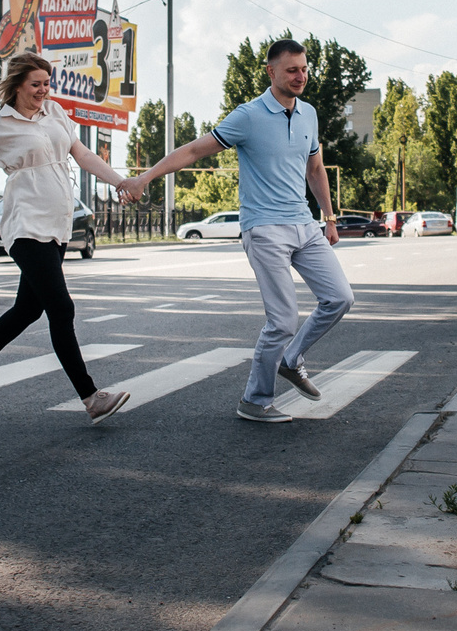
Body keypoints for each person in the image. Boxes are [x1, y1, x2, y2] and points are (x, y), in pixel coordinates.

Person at [125, 38, 354, 424]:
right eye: (291, 70)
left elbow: (315, 169)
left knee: (340, 298)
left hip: (304, 224)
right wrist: (145, 177)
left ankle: (291, 359)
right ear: (271, 72)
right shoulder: (248, 116)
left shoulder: (309, 114)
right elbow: (195, 150)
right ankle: (255, 400)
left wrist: (329, 218)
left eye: (304, 69)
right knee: (282, 320)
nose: (300, 77)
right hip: (264, 228)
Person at [0, 52, 131, 423]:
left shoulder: (56, 112)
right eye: (36, 85)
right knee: (61, 309)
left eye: (47, 84)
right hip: (26, 225)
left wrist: (120, 182)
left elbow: (82, 155)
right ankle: (91, 397)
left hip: (57, 225)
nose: (43, 91)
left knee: (29, 308)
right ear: (16, 86)